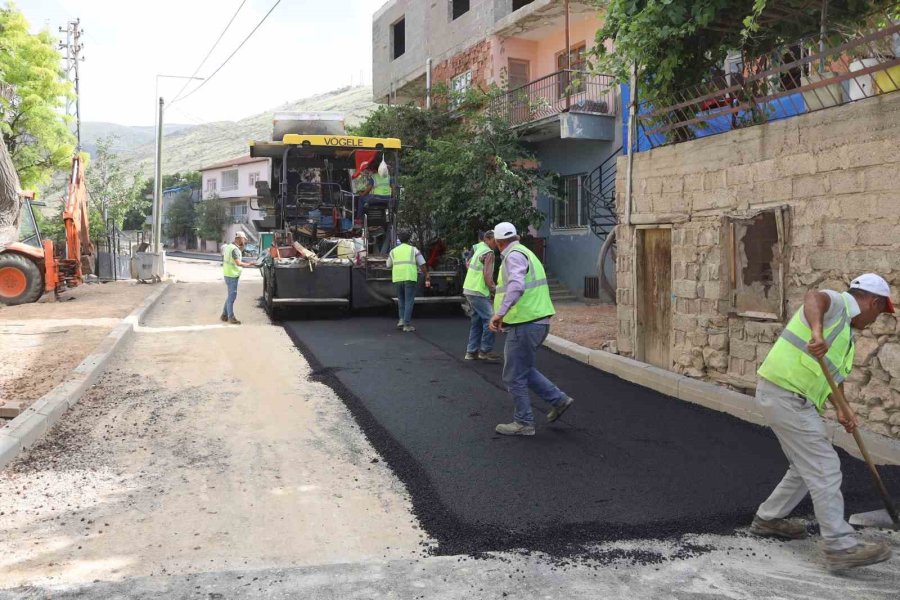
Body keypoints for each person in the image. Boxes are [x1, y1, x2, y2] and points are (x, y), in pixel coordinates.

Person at [750, 273, 895, 571]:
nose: (875, 320)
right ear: (873, 301)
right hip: (785, 394)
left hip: (788, 397)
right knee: (825, 467)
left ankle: (768, 518)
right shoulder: (840, 305)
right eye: (879, 313)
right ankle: (840, 547)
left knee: (805, 468)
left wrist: (842, 409)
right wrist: (816, 332)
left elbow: (832, 378)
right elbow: (813, 297)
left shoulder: (846, 337)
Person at [488, 222, 573, 436]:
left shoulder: (513, 256)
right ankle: (559, 400)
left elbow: (516, 286)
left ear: (498, 243)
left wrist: (500, 313)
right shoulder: (526, 252)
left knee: (513, 375)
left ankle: (524, 423)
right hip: (536, 321)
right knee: (523, 369)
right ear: (515, 237)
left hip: (525, 324)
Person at [463, 230, 500, 361]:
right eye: (495, 240)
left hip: (469, 289)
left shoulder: (479, 249)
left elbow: (468, 264)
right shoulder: (488, 253)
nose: (497, 243)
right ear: (488, 239)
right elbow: (487, 276)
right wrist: (494, 289)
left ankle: (471, 351)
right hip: (478, 290)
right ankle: (485, 350)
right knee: (491, 319)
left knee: (477, 321)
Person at [387, 231, 429, 332]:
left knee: (401, 299)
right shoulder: (413, 250)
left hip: (398, 278)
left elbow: (388, 265)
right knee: (409, 300)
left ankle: (401, 320)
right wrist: (427, 274)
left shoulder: (393, 251)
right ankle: (407, 324)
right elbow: (422, 264)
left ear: (399, 240)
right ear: (409, 239)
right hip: (409, 277)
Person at [220, 231, 257, 325]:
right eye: (244, 239)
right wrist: (250, 264)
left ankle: (224, 315)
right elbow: (238, 263)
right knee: (232, 297)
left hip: (227, 274)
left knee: (230, 296)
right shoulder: (235, 250)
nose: (244, 241)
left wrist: (243, 246)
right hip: (232, 275)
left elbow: (236, 258)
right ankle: (231, 317)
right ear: (240, 238)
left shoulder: (229, 246)